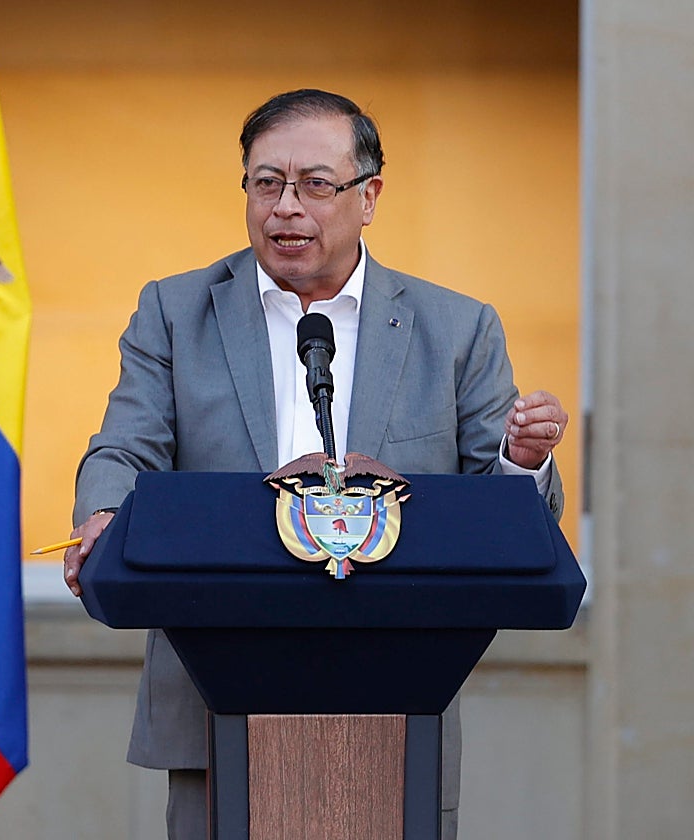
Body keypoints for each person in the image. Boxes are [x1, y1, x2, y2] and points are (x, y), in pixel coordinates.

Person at [62, 89, 567, 840]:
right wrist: (102, 511)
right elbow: (124, 446)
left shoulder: (457, 329)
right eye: (266, 183)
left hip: (401, 709)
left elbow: (499, 525)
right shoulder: (174, 311)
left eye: (315, 185)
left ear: (369, 197)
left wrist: (519, 461)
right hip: (215, 703)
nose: (285, 208)